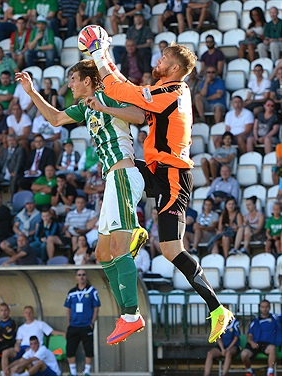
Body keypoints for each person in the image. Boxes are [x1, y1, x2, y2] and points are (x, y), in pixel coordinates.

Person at [81, 32, 234, 343]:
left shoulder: (173, 92)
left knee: (171, 249)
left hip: (174, 176)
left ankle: (218, 309)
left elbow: (123, 89)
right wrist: (105, 58)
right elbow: (131, 93)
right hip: (156, 171)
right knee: (118, 170)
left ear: (175, 68)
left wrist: (100, 53)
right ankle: (133, 230)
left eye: (164, 59)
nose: (158, 61)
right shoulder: (165, 90)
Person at [15, 59, 149, 346]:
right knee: (101, 254)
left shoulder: (109, 93)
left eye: (73, 79)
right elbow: (55, 119)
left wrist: (104, 107)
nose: (69, 84)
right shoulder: (85, 106)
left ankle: (131, 314)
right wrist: (31, 92)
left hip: (123, 174)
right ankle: (128, 312)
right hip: (112, 182)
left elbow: (140, 115)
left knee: (118, 248)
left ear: (88, 80)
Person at [1, 305, 65, 376]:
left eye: (30, 312)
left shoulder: (40, 324)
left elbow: (52, 332)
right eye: (26, 313)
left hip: (34, 348)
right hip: (22, 348)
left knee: (27, 362)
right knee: (5, 352)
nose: (28, 314)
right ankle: (5, 372)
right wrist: (16, 346)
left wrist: (64, 334)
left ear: (33, 313)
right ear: (23, 314)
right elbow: (18, 342)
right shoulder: (21, 328)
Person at [64, 270, 100, 376]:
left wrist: (92, 322)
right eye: (79, 275)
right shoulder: (71, 292)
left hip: (86, 326)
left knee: (88, 350)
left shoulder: (92, 291)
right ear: (76, 277)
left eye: (83, 275)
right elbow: (68, 308)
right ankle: (73, 372)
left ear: (86, 277)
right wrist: (69, 322)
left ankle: (87, 371)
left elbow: (96, 308)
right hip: (73, 325)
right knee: (70, 350)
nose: (81, 277)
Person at [241, 300, 282, 376]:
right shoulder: (255, 321)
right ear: (260, 308)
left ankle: (270, 372)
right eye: (262, 307)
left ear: (269, 307)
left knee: (272, 348)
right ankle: (249, 370)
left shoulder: (275, 318)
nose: (265, 309)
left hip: (267, 344)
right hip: (255, 343)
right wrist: (252, 342)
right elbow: (249, 335)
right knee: (244, 354)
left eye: (266, 307)